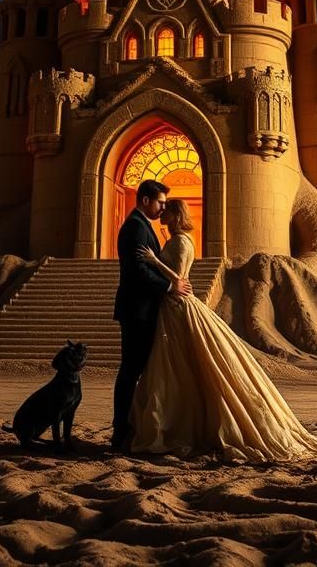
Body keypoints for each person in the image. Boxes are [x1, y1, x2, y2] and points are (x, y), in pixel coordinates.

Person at [130, 198, 317, 462]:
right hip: (173, 305)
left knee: (178, 364)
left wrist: (154, 261)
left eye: (167, 211)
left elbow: (178, 278)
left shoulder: (179, 242)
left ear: (175, 215)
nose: (162, 214)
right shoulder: (181, 239)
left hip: (177, 303)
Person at [111, 180, 192, 451]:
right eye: (160, 202)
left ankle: (131, 428)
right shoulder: (135, 227)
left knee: (138, 371)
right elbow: (138, 271)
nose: (163, 208)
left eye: (166, 205)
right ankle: (121, 431)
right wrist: (170, 286)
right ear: (145, 201)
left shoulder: (145, 226)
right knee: (130, 371)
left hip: (145, 309)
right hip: (137, 310)